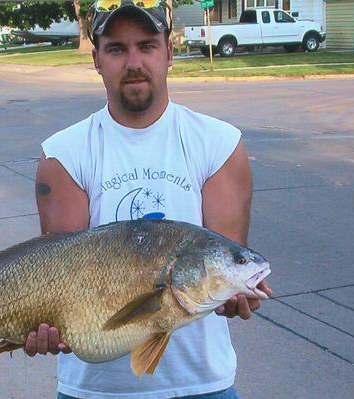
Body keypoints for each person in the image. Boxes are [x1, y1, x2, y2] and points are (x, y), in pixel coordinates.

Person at [29, 1, 271, 398]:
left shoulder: (219, 144)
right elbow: (59, 274)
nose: (134, 62)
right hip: (94, 390)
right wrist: (39, 323)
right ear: (96, 60)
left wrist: (236, 289)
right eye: (116, 49)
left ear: (169, 52)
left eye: (147, 45)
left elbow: (221, 259)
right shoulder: (63, 154)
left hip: (203, 385)